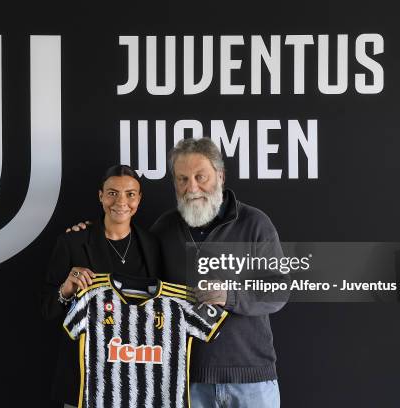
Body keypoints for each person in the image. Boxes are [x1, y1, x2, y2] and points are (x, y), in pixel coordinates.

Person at [70, 138, 290, 408]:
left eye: (201, 177)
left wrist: (230, 296)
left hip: (251, 380)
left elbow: (279, 290)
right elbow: (132, 280)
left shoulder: (254, 223)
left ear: (220, 176)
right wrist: (86, 236)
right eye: (182, 179)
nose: (192, 188)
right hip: (184, 382)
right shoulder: (164, 228)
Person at [40, 164, 162, 408]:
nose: (121, 202)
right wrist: (66, 289)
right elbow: (47, 310)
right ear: (101, 196)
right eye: (112, 193)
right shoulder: (73, 242)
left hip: (136, 379)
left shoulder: (152, 245)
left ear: (139, 199)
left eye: (130, 194)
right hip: (85, 379)